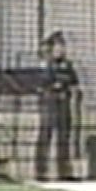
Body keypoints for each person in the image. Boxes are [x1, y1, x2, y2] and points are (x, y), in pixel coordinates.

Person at [35, 31, 82, 180]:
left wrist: (71, 90)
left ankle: (64, 171)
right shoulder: (46, 65)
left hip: (65, 104)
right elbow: (42, 84)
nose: (61, 50)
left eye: (63, 46)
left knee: (64, 137)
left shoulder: (67, 66)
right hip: (50, 104)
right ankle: (41, 171)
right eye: (58, 46)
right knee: (46, 136)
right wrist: (55, 88)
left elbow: (74, 83)